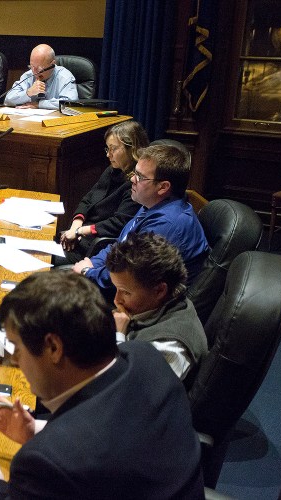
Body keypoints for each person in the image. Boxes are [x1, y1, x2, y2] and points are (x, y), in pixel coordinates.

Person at [0, 271, 204, 499]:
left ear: (53, 348)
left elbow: (82, 454)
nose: (14, 359)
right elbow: (119, 439)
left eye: (17, 348)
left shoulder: (47, 463)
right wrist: (36, 430)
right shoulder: (145, 357)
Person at [72, 144, 209, 292]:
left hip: (139, 302)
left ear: (163, 187)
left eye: (140, 177)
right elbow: (120, 245)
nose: (132, 180)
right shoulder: (151, 205)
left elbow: (129, 275)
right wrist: (93, 263)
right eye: (134, 173)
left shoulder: (167, 225)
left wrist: (88, 272)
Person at [107, 232, 207, 380]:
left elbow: (128, 392)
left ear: (160, 290)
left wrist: (119, 335)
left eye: (125, 292)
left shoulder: (170, 346)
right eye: (116, 289)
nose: (117, 300)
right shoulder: (154, 307)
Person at [55, 120, 148, 265]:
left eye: (113, 149)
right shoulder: (112, 170)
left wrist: (80, 231)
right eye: (107, 149)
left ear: (131, 149)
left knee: (46, 257)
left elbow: (118, 223)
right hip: (81, 234)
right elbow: (88, 199)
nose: (108, 155)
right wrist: (75, 227)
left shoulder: (136, 184)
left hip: (98, 246)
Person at [4, 44, 78, 110]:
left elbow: (70, 103)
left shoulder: (65, 77)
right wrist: (28, 93)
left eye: (39, 69)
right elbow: (8, 100)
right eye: (32, 66)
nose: (34, 72)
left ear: (52, 64)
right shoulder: (28, 75)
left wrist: (39, 104)